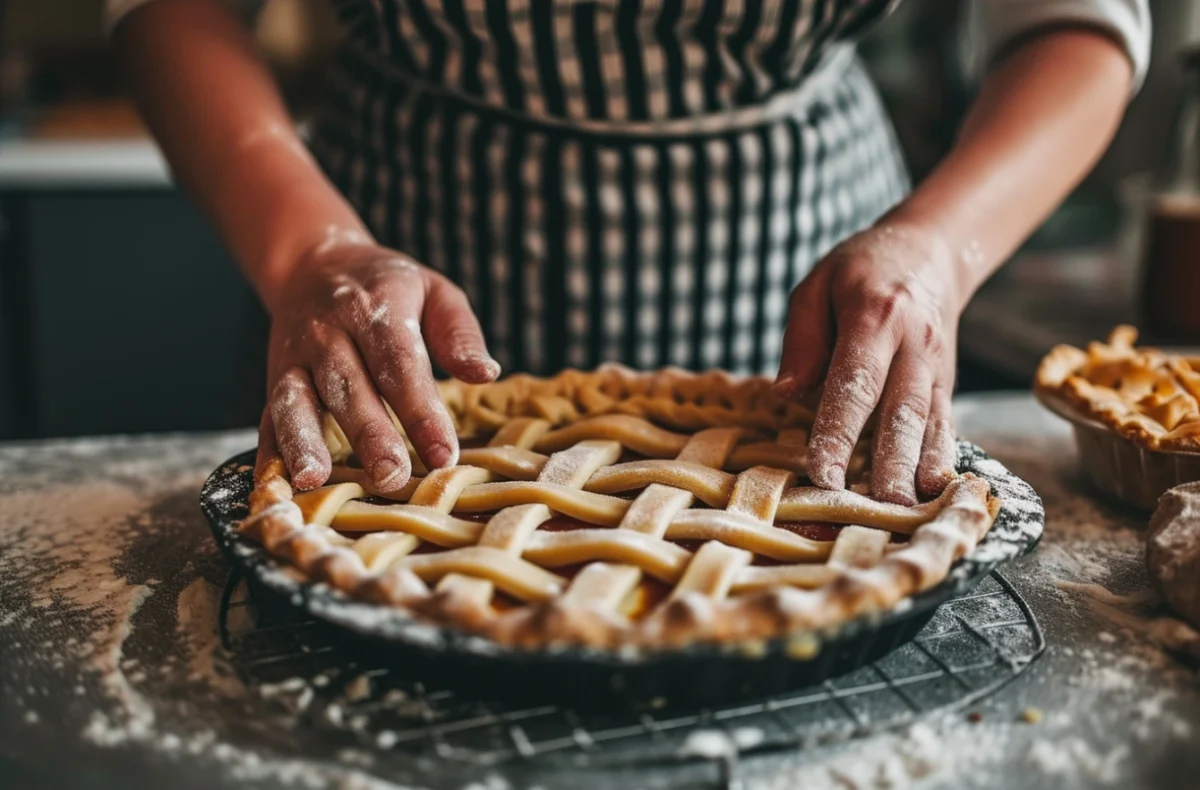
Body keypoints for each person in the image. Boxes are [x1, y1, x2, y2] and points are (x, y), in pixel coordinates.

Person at [109, 0, 1149, 505]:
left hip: (801, 265)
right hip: (396, 251)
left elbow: (1077, 19)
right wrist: (308, 245)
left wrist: (937, 253)